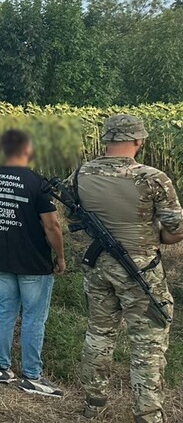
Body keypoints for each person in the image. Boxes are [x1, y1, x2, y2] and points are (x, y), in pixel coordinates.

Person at [73, 115, 183, 421]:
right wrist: (155, 235)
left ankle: (93, 405)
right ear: (138, 141)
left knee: (99, 333)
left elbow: (76, 215)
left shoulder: (81, 173)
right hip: (141, 267)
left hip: (96, 265)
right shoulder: (152, 178)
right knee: (147, 341)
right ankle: (147, 415)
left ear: (106, 139)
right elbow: (176, 230)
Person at [0, 129, 65, 396]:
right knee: (33, 317)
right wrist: (60, 257)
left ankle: (3, 369)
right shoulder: (36, 182)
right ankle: (32, 375)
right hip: (32, 261)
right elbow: (52, 225)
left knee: (4, 312)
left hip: (1, 257)